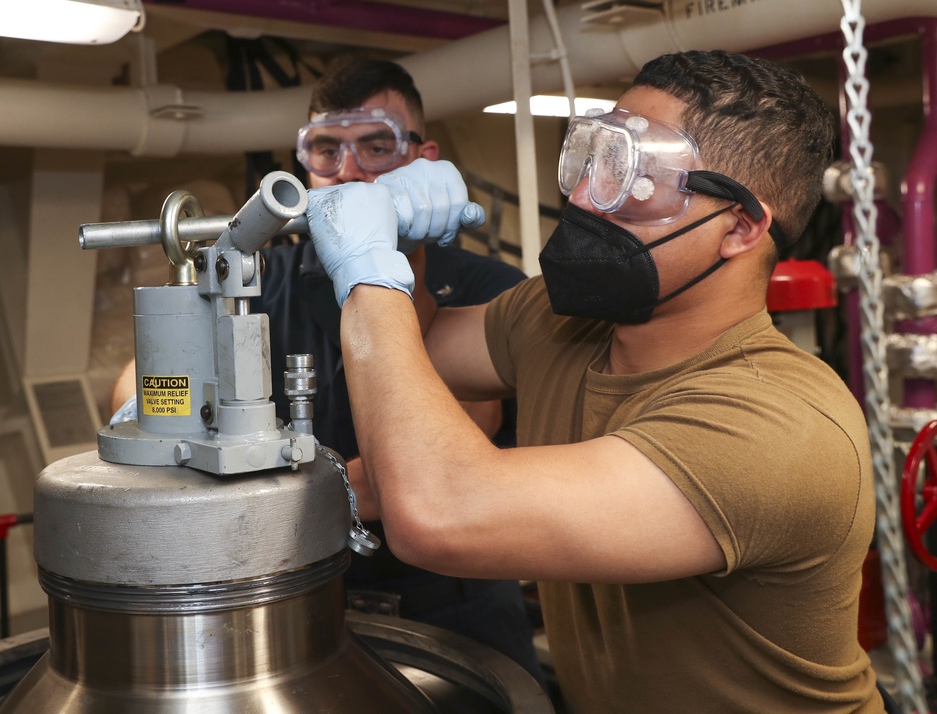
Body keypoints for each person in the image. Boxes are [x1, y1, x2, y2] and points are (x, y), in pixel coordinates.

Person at [302, 50, 883, 712]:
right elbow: (414, 353)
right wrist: (404, 246)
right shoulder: (561, 321)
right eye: (594, 157)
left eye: (633, 175)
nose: (583, 195)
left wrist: (367, 267)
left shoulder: (778, 425)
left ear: (741, 227)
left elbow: (440, 514)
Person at [110, 57, 546, 688]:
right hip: (303, 608)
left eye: (375, 147)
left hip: (456, 609)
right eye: (325, 149)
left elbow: (448, 450)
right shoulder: (257, 279)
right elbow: (135, 383)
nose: (347, 172)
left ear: (423, 160)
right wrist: (151, 415)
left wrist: (266, 497)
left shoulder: (492, 290)